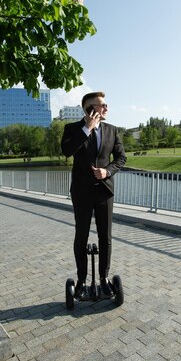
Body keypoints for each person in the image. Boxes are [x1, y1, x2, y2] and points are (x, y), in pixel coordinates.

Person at [61, 91, 127, 300]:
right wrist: (86, 129)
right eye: (101, 105)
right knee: (81, 236)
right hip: (81, 192)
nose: (106, 108)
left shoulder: (112, 130)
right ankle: (81, 280)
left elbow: (121, 158)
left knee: (105, 237)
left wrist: (107, 171)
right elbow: (67, 151)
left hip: (104, 191)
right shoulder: (72, 129)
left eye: (106, 104)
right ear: (90, 109)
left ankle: (104, 279)